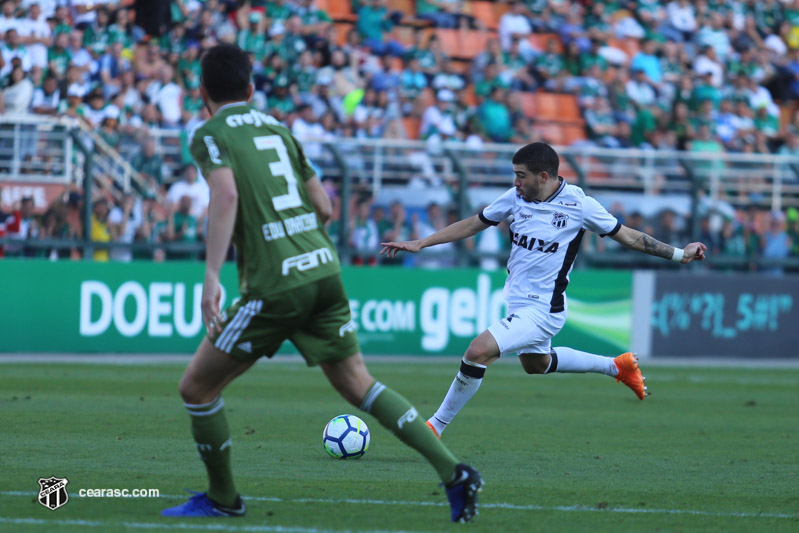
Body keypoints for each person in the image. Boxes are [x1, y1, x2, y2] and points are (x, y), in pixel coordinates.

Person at [161, 44, 482, 523]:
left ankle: (224, 499)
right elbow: (326, 208)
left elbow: (225, 192)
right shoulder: (278, 128)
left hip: (274, 284)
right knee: (358, 383)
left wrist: (212, 276)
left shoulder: (209, 133)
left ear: (201, 92)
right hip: (324, 270)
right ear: (251, 89)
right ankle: (454, 472)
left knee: (196, 388)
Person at [381, 142, 707, 438]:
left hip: (543, 309)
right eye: (514, 175)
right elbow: (472, 223)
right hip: (518, 302)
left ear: (544, 175)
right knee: (536, 364)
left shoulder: (580, 205)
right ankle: (616, 366)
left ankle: (434, 426)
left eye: (521, 176)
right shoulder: (515, 198)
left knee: (478, 352)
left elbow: (630, 237)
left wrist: (680, 255)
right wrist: (421, 242)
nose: (515, 182)